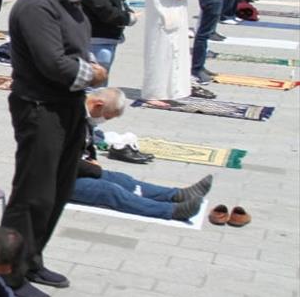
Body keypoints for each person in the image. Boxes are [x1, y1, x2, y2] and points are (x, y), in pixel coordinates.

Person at [2, 0, 106, 297]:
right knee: (33, 192)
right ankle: (7, 272)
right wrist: (92, 74)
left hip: (67, 106)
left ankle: (31, 257)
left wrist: (91, 74)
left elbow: (78, 46)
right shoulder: (36, 5)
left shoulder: (67, 1)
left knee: (58, 189)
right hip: (39, 106)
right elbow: (54, 64)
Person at [74, 88, 209, 221]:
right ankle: (171, 211)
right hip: (62, 180)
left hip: (78, 169)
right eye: (106, 117)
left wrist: (92, 161)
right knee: (108, 190)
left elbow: (87, 145)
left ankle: (177, 195)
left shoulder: (85, 116)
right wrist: (93, 168)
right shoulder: (70, 119)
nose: (104, 121)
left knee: (123, 180)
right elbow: (63, 159)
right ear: (98, 105)